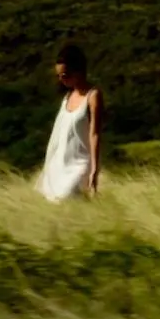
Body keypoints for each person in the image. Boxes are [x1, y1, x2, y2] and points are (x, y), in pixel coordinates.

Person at [37, 42, 104, 201]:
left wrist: (94, 169)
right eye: (59, 76)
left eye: (65, 75)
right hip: (61, 163)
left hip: (81, 164)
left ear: (78, 71)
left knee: (69, 196)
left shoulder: (93, 96)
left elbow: (95, 134)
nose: (61, 80)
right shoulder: (67, 98)